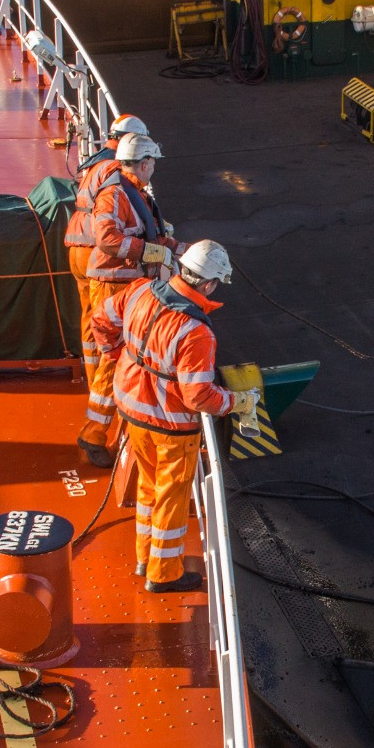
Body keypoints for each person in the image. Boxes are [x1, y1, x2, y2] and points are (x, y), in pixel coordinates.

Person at [91, 240, 257, 593]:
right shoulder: (197, 332)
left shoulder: (139, 291)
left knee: (149, 487)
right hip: (170, 426)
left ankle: (144, 558)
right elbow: (198, 396)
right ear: (209, 284)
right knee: (171, 496)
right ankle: (163, 573)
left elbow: (100, 319)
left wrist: (115, 354)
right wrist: (236, 402)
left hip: (131, 410)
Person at [76, 132, 184, 468]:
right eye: (152, 162)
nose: (154, 168)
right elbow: (108, 239)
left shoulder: (133, 192)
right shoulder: (114, 194)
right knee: (114, 358)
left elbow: (149, 234)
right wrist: (148, 250)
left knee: (120, 356)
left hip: (128, 284)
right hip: (113, 284)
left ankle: (109, 424)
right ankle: (94, 435)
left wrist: (181, 250)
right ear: (145, 162)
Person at [65, 113, 149, 386]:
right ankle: (107, 386)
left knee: (90, 321)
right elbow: (114, 213)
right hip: (96, 251)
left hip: (76, 247)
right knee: (109, 324)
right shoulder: (118, 169)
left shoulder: (94, 163)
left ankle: (92, 382)